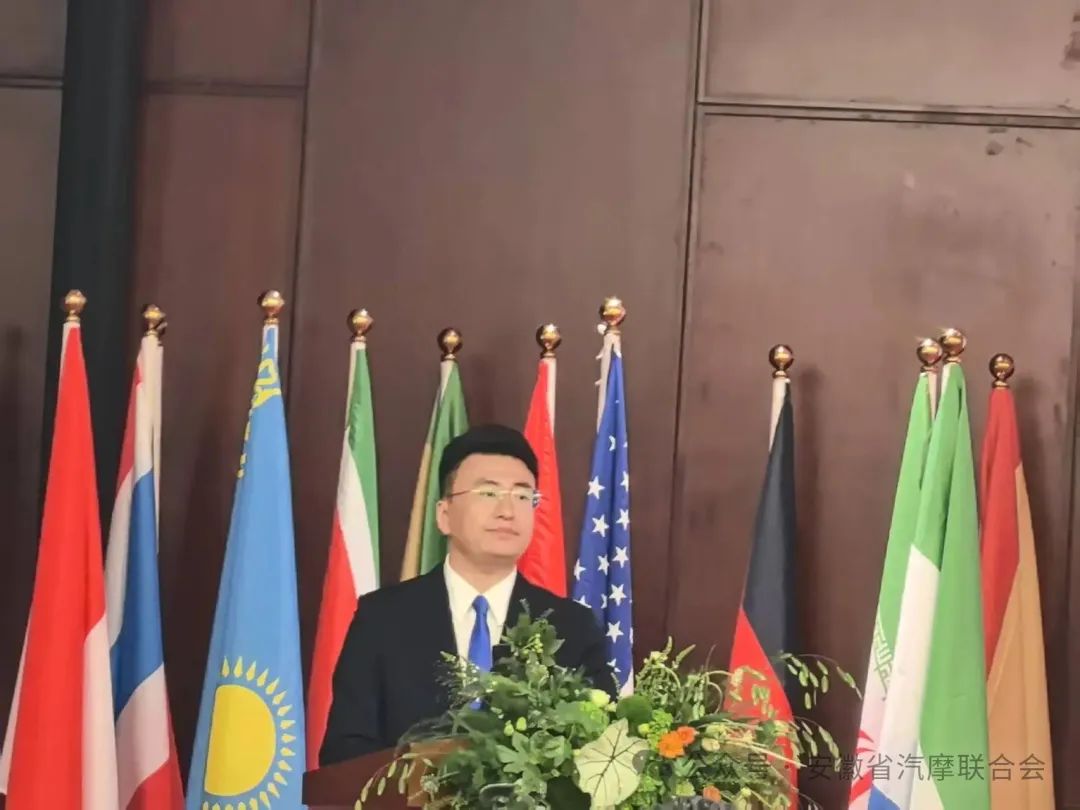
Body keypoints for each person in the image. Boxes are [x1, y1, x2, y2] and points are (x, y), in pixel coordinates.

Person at [320, 423, 615, 765]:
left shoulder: (572, 627)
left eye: (523, 496)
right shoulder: (382, 619)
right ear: (444, 515)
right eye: (488, 493)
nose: (507, 510)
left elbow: (601, 749)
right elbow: (345, 752)